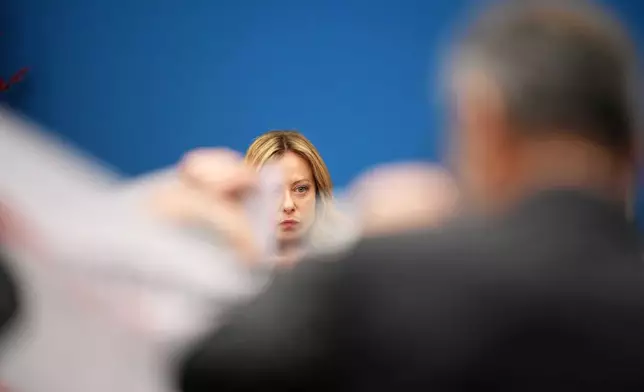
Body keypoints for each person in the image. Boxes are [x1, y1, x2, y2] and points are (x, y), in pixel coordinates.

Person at [177, 1, 644, 391]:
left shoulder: (381, 280)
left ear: (484, 123)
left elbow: (213, 370)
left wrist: (352, 248)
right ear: (633, 148)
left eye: (300, 189)